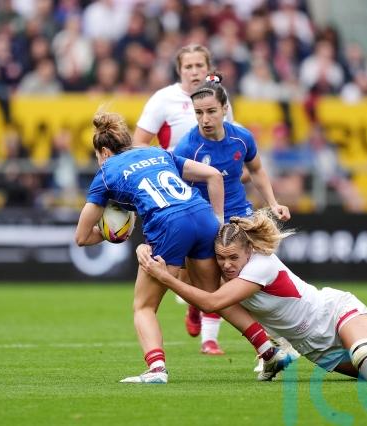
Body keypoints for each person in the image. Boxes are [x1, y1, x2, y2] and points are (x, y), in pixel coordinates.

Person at [137, 209, 367, 382]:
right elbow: (195, 276)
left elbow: (211, 302)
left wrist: (161, 276)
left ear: (249, 251)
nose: (226, 265)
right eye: (220, 258)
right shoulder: (230, 272)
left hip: (336, 314)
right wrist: (153, 252)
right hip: (317, 349)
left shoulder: (260, 266)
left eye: (233, 258)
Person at [75, 111, 291, 383]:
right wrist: (218, 223)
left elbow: (82, 237)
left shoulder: (106, 173)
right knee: (213, 296)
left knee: (144, 307)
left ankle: (156, 370)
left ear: (104, 152)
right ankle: (268, 351)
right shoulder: (157, 153)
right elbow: (213, 174)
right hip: (202, 215)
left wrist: (115, 233)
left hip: (170, 226)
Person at [175, 72, 294, 365]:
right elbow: (178, 188)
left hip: (241, 218)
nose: (204, 119)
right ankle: (221, 335)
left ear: (225, 109)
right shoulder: (188, 147)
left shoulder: (242, 137)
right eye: (199, 113)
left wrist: (273, 203)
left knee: (258, 279)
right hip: (207, 223)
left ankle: (272, 342)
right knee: (216, 288)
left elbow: (256, 170)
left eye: (211, 111)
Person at [132, 44, 235, 354]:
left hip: (215, 186)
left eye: (199, 65)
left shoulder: (220, 98)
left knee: (218, 260)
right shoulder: (163, 99)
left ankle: (210, 337)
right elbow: (138, 144)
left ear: (208, 67)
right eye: (188, 66)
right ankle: (196, 303)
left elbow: (231, 137)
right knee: (187, 267)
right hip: (177, 192)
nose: (194, 71)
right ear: (179, 70)